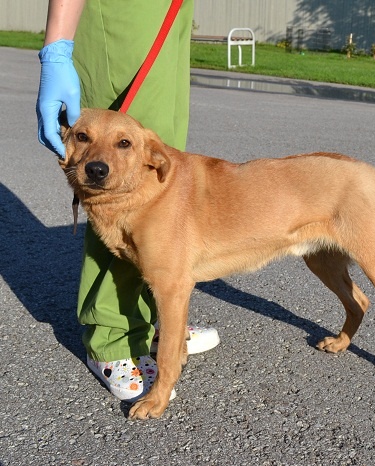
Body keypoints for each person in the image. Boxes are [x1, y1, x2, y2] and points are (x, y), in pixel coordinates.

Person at [36, 0, 219, 402]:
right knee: (113, 176)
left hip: (171, 11)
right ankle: (114, 336)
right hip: (120, 16)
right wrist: (56, 49)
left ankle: (153, 320)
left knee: (160, 163)